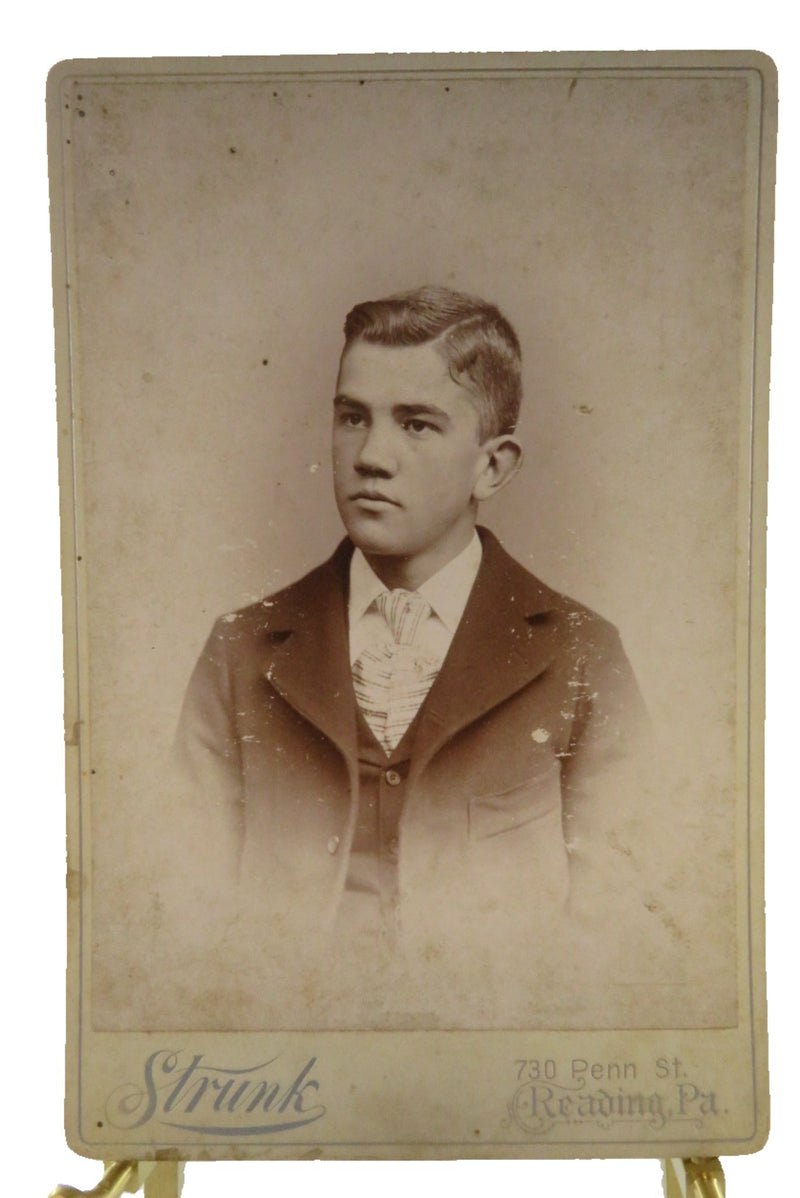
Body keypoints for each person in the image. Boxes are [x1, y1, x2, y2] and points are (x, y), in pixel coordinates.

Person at [168, 286, 670, 1030]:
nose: (371, 456)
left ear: (493, 467)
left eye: (417, 423)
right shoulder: (243, 649)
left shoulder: (578, 654)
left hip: (494, 1064)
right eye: (351, 418)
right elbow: (179, 905)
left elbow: (630, 913)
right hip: (286, 1063)